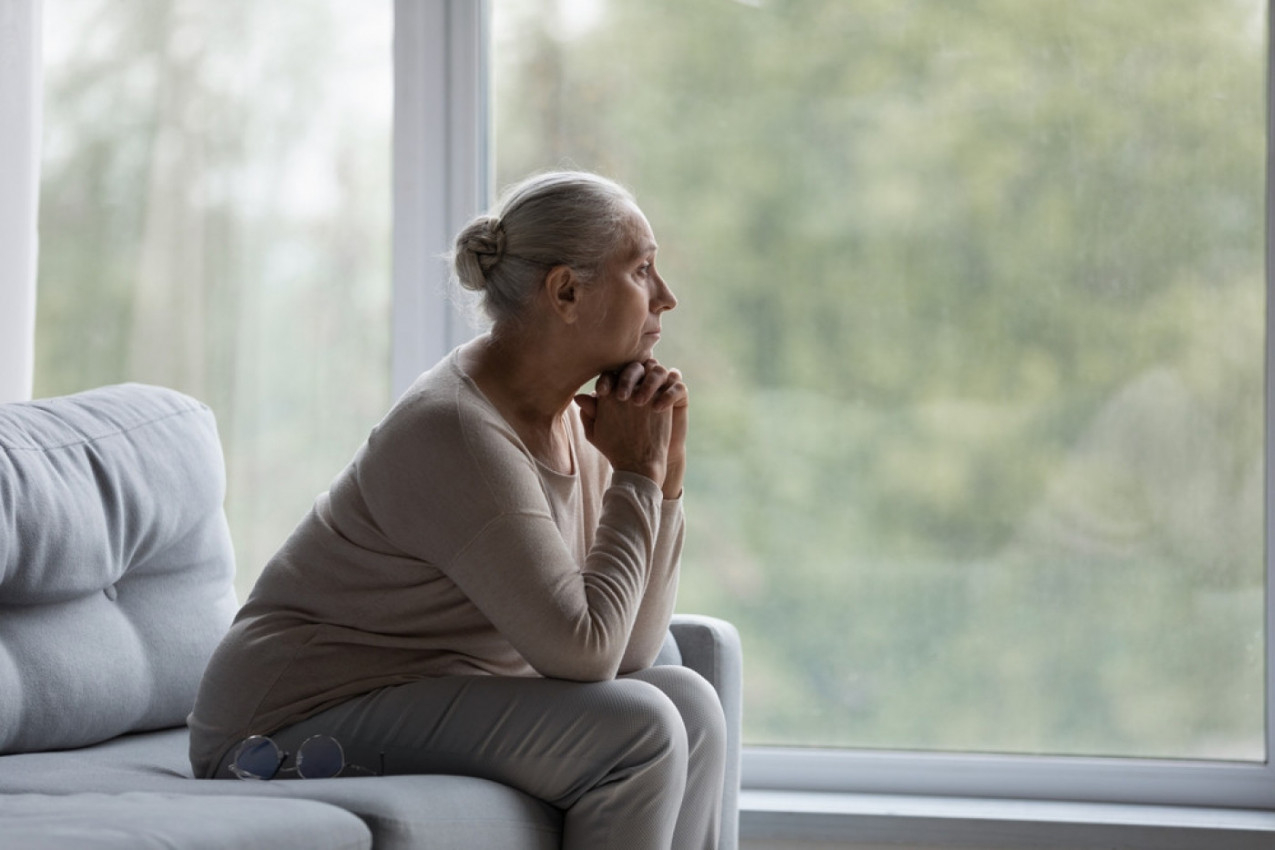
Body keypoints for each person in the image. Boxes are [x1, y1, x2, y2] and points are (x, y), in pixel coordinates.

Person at [187, 170, 727, 849]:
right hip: (279, 726)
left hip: (418, 693)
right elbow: (586, 653)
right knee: (640, 727)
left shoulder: (579, 418)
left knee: (689, 705)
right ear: (565, 291)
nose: (666, 297)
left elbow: (630, 653)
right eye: (642, 270)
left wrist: (662, 477)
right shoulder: (456, 430)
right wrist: (636, 476)